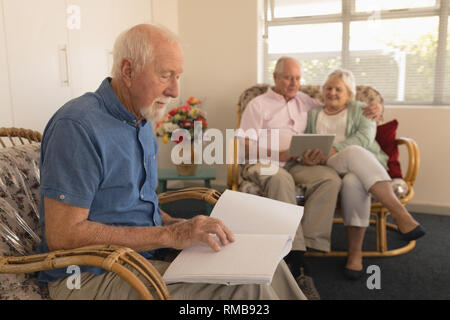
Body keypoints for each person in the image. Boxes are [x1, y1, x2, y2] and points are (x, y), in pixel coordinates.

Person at [35, 24, 306, 300]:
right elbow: (63, 235)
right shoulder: (78, 126)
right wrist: (169, 236)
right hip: (89, 276)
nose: (175, 90)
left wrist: (176, 224)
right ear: (128, 71)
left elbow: (136, 206)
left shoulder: (141, 121)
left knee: (265, 265)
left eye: (178, 76)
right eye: (166, 75)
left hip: (140, 257)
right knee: (248, 288)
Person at [238, 57, 382, 299]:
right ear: (275, 78)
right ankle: (296, 258)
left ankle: (311, 245)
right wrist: (277, 153)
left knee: (330, 179)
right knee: (280, 179)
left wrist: (377, 110)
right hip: (263, 162)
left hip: (296, 163)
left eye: (297, 78)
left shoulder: (305, 101)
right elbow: (243, 144)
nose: (294, 83)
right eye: (288, 78)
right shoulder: (258, 104)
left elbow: (339, 104)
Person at [305, 68, 426, 280]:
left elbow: (365, 139)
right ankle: (399, 212)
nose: (332, 92)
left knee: (353, 181)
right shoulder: (313, 113)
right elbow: (306, 140)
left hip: (360, 169)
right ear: (322, 91)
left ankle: (355, 253)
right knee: (351, 152)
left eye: (338, 89)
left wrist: (335, 148)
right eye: (328, 88)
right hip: (327, 167)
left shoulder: (363, 109)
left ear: (349, 93)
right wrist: (313, 154)